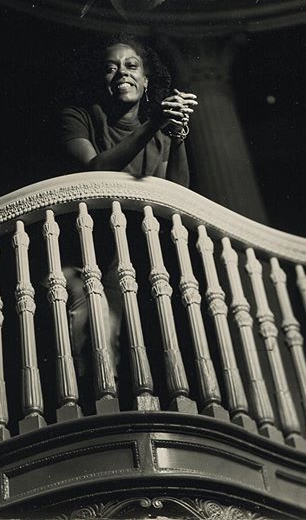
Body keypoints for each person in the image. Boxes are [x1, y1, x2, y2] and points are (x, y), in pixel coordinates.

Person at [58, 35, 198, 391]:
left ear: (147, 80)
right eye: (111, 67)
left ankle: (119, 395)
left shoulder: (159, 133)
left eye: (131, 65)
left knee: (129, 318)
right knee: (90, 316)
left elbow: (177, 195)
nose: (121, 72)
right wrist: (154, 126)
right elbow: (94, 171)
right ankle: (96, 399)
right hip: (81, 246)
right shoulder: (80, 117)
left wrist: (178, 134)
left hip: (131, 248)